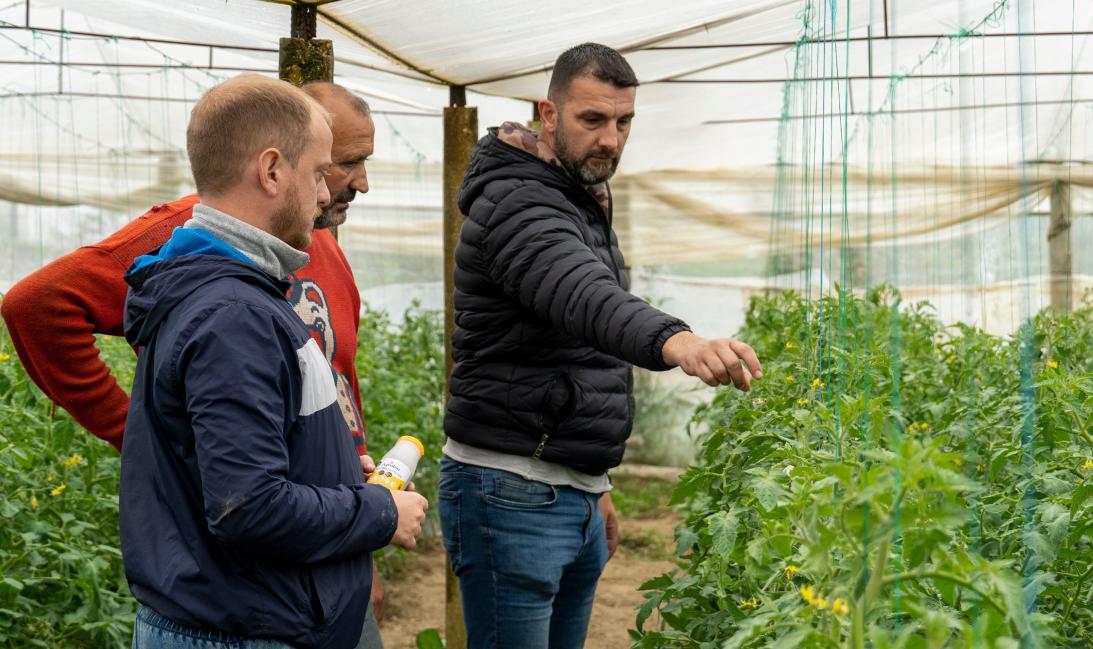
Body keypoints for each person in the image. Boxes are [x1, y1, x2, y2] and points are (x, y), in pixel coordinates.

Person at [0, 82, 394, 647]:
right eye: (335, 165)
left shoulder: (305, 242)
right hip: (252, 593)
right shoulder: (201, 243)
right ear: (273, 168)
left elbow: (330, 382)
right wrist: (138, 434)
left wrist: (359, 533)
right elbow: (37, 305)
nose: (353, 183)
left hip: (323, 548)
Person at [440, 43, 763, 648]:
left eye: (624, 122)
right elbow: (581, 294)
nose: (611, 140)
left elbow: (577, 353)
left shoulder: (575, 198)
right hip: (512, 491)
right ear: (549, 114)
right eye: (592, 120)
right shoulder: (517, 199)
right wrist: (678, 341)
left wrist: (595, 485)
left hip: (564, 486)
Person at [117, 75, 427, 649]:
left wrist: (330, 467)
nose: (327, 194)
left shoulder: (238, 291)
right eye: (318, 173)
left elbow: (243, 462)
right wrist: (379, 512)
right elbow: (250, 507)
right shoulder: (232, 313)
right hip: (243, 629)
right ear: (272, 170)